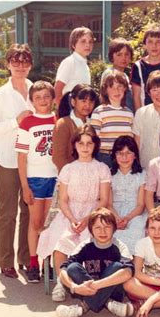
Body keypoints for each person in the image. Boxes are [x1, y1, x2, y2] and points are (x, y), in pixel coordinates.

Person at [37, 125, 110, 302]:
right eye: (81, 143)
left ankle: (87, 283)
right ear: (75, 146)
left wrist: (87, 219)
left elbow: (104, 200)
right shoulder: (68, 169)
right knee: (61, 240)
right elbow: (63, 200)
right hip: (69, 214)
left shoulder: (102, 168)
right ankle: (62, 283)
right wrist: (72, 219)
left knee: (89, 241)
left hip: (93, 215)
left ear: (95, 146)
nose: (85, 148)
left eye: (89, 143)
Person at [0, 43, 33, 279]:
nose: (20, 66)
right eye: (15, 61)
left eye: (24, 62)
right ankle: (5, 261)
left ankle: (25, 258)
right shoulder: (0, 95)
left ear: (30, 65)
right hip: (7, 159)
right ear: (8, 65)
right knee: (8, 211)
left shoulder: (35, 90)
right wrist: (15, 121)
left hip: (32, 159)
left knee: (29, 211)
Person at [55, 208, 134, 317]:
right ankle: (107, 303)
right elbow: (63, 269)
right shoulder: (86, 245)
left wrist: (97, 285)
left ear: (114, 229)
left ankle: (82, 308)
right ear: (91, 230)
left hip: (113, 291)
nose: (103, 232)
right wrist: (75, 288)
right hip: (86, 289)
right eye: (98, 228)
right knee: (72, 268)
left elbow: (128, 273)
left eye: (107, 227)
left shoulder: (119, 246)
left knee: (117, 267)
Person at [15, 81, 57, 283]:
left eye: (46, 96)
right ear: (31, 101)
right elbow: (21, 157)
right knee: (36, 222)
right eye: (38, 97)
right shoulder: (27, 123)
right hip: (35, 178)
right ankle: (33, 262)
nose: (43, 101)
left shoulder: (58, 120)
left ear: (53, 98)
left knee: (50, 224)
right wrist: (24, 186)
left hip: (56, 178)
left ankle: (47, 262)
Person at [108, 136, 147, 253]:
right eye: (120, 153)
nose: (124, 157)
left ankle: (132, 265)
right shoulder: (109, 174)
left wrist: (127, 218)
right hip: (114, 213)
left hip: (135, 213)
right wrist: (117, 218)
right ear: (114, 155)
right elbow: (108, 204)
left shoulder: (141, 175)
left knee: (137, 230)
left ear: (135, 155)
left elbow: (141, 205)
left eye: (128, 153)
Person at [90, 70, 134, 168]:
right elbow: (93, 139)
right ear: (105, 90)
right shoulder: (99, 112)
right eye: (112, 87)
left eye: (119, 86)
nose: (116, 91)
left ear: (125, 88)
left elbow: (131, 139)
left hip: (124, 157)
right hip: (105, 157)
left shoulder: (129, 113)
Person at [52, 84, 99, 172]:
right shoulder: (63, 124)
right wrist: (71, 177)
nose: (87, 105)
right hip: (70, 178)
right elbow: (58, 157)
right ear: (73, 102)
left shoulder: (94, 123)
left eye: (91, 102)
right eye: (83, 101)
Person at [54, 27, 94, 107]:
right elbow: (57, 90)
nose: (87, 45)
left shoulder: (85, 65)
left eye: (90, 42)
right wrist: (63, 111)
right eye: (83, 41)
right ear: (73, 45)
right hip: (69, 112)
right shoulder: (69, 62)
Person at [101, 38, 134, 111]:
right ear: (111, 56)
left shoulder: (125, 76)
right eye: (119, 54)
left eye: (126, 54)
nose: (123, 58)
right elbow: (104, 98)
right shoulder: (109, 73)